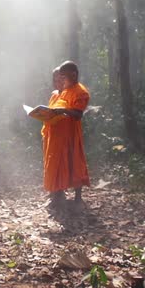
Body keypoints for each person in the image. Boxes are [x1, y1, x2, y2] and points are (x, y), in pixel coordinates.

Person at [41, 61, 90, 208]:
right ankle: (57, 195)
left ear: (73, 75)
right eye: (56, 79)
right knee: (55, 165)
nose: (59, 81)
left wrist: (62, 111)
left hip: (70, 136)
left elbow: (77, 114)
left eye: (62, 78)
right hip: (55, 136)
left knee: (74, 163)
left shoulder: (80, 91)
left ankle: (78, 199)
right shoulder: (57, 94)